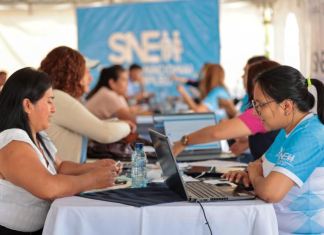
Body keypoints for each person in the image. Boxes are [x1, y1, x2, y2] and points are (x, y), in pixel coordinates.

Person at [0, 68, 121, 234]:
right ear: (28, 105)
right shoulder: (13, 142)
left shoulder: (37, 135)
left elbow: (60, 166)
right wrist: (92, 179)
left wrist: (95, 167)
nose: (53, 109)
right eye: (49, 101)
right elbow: (49, 187)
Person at [224, 65, 324, 234]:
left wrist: (255, 175)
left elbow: (271, 192)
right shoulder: (288, 131)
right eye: (254, 104)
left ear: (286, 106)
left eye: (260, 105)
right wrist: (249, 175)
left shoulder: (310, 135)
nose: (255, 113)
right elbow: (258, 165)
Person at [39, 46, 131, 163]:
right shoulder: (59, 98)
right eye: (87, 72)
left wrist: (119, 124)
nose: (91, 78)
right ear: (73, 73)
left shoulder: (57, 97)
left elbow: (90, 127)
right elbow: (105, 133)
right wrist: (127, 126)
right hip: (63, 176)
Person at [172, 60, 280, 160]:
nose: (242, 77)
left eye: (246, 74)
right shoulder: (273, 109)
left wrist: (184, 141)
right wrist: (249, 142)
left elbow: (216, 133)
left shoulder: (262, 112)